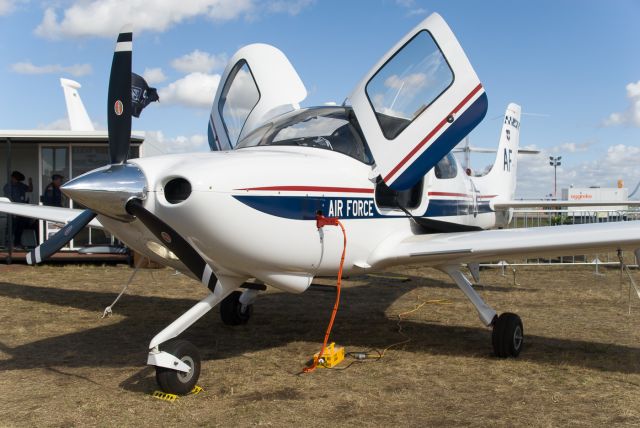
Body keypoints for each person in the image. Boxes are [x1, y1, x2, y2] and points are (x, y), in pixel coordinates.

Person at [3, 170, 33, 248]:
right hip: (12, 211)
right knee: (11, 228)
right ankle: (8, 245)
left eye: (18, 179)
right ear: (12, 178)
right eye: (16, 179)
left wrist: (30, 182)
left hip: (22, 211)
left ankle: (17, 243)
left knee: (20, 228)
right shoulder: (7, 187)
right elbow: (9, 199)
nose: (17, 180)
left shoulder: (20, 185)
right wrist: (14, 212)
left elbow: (30, 189)